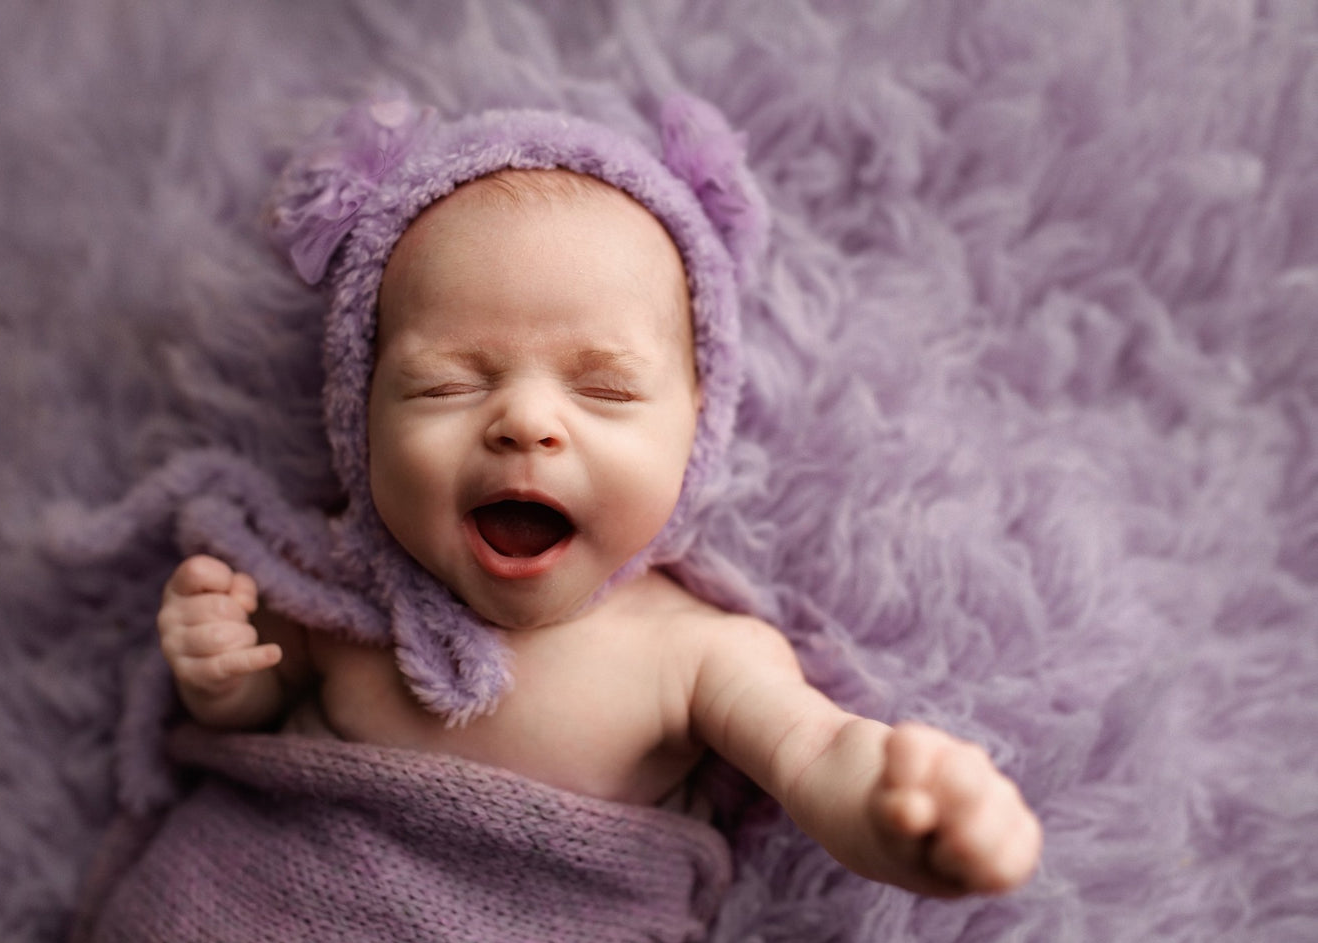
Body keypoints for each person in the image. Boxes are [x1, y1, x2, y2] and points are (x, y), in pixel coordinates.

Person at [155, 151, 1042, 900]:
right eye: (445, 384)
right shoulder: (342, 598)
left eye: (605, 389)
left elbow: (816, 753)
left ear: (696, 429)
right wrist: (220, 670)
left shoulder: (692, 654)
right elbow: (255, 707)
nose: (526, 423)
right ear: (358, 414)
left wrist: (903, 811)